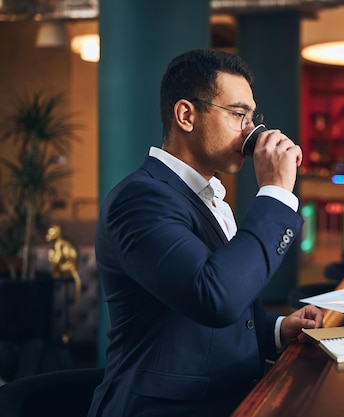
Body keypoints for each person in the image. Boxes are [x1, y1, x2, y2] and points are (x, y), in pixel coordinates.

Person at [87, 49, 324, 417]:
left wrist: (275, 329)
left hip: (231, 399)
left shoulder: (209, 195)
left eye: (252, 116)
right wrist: (275, 192)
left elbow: (216, 312)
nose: (252, 131)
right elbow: (213, 296)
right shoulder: (140, 199)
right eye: (237, 114)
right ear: (186, 115)